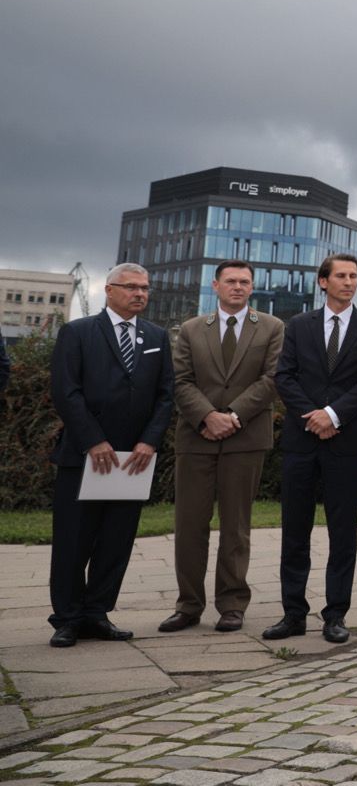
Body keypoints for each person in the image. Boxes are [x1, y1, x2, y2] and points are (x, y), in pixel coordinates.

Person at [46, 263, 172, 647]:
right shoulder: (78, 332)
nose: (139, 294)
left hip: (134, 460)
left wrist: (150, 441)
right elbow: (66, 391)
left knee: (116, 541)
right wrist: (93, 441)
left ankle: (97, 613)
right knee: (73, 540)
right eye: (131, 287)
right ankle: (67, 618)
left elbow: (166, 394)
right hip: (86, 455)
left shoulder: (156, 336)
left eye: (145, 288)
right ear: (109, 289)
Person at [266, 253, 357, 645]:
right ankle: (292, 614)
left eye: (354, 276)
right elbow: (285, 376)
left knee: (342, 533)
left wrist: (333, 416)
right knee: (295, 530)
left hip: (346, 442)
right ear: (323, 281)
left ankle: (335, 615)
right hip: (302, 441)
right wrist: (312, 416)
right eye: (340, 276)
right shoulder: (299, 326)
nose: (349, 282)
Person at [162, 260, 285, 634]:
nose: (238, 287)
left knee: (236, 525)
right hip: (196, 437)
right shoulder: (191, 329)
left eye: (244, 282)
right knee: (189, 525)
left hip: (245, 436)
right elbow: (180, 380)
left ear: (252, 287)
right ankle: (188, 605)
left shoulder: (272, 327)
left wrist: (232, 415)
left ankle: (232, 604)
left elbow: (273, 378)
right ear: (215, 285)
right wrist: (207, 417)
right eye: (230, 281)